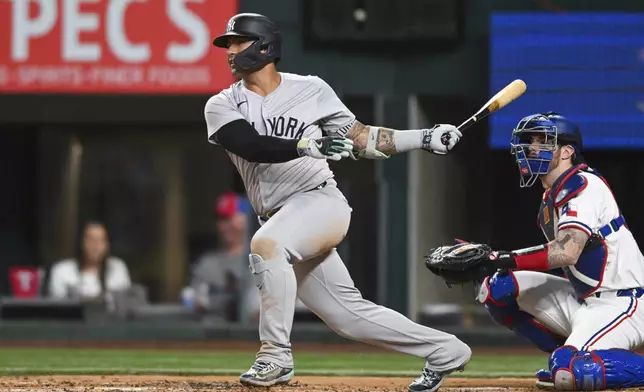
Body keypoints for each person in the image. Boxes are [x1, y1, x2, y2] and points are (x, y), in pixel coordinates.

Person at [204, 12, 471, 392]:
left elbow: (362, 139)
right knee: (349, 317)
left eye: (237, 42)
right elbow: (247, 144)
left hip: (319, 203)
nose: (230, 51)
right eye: (227, 44)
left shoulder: (310, 89)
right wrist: (303, 144)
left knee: (266, 245)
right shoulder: (221, 103)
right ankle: (447, 350)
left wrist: (424, 138)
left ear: (265, 46)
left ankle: (275, 356)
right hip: (280, 218)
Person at [428, 112, 644, 391]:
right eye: (530, 140)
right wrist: (496, 263)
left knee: (569, 372)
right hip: (587, 301)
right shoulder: (551, 195)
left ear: (567, 151)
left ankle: (571, 361)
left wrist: (500, 257)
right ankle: (570, 352)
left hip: (626, 303)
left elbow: (567, 252)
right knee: (499, 287)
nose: (531, 147)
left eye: (543, 141)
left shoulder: (584, 187)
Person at [182, 192, 260, 322]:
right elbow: (188, 300)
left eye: (228, 219)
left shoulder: (261, 259)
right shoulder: (207, 263)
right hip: (213, 334)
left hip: (251, 337)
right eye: (220, 220)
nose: (224, 226)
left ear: (245, 219)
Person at [48, 221, 131, 304]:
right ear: (82, 243)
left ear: (107, 245)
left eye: (101, 240)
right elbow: (58, 309)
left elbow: (123, 307)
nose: (96, 246)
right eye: (91, 240)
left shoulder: (118, 268)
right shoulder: (61, 271)